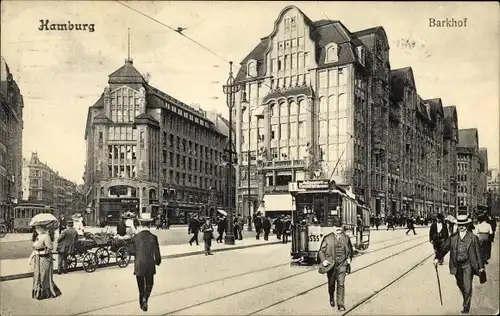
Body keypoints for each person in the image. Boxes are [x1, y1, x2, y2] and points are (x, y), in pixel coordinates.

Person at [434, 215, 485, 314]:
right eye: (459, 225)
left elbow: (478, 253)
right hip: (456, 264)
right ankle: (466, 296)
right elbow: (445, 248)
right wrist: (437, 258)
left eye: (463, 225)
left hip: (468, 265)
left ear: (467, 225)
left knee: (467, 286)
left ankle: (466, 306)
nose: (461, 227)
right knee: (460, 283)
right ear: (457, 225)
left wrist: (481, 267)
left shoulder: (473, 237)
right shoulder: (452, 237)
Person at [318, 217, 353, 311]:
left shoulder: (346, 238)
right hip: (331, 265)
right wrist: (324, 260)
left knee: (341, 284)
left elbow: (350, 250)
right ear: (333, 228)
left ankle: (340, 304)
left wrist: (349, 259)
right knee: (331, 284)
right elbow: (321, 251)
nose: (338, 230)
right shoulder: (327, 238)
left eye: (339, 228)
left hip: (342, 265)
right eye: (336, 228)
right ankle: (331, 297)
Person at [129, 213, 161, 312]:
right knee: (150, 284)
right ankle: (145, 299)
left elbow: (131, 252)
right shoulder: (153, 237)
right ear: (150, 225)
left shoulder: (135, 237)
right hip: (150, 265)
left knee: (140, 286)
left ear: (140, 224)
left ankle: (141, 302)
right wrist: (158, 261)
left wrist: (138, 252)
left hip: (139, 264)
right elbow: (157, 253)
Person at [29, 224, 62, 300]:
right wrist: (30, 258)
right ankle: (38, 293)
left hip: (45, 259)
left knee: (43, 276)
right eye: (36, 228)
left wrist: (39, 253)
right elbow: (35, 249)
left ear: (43, 228)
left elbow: (49, 249)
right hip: (37, 259)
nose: (37, 229)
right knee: (37, 275)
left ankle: (46, 293)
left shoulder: (46, 236)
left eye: (38, 228)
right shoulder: (38, 236)